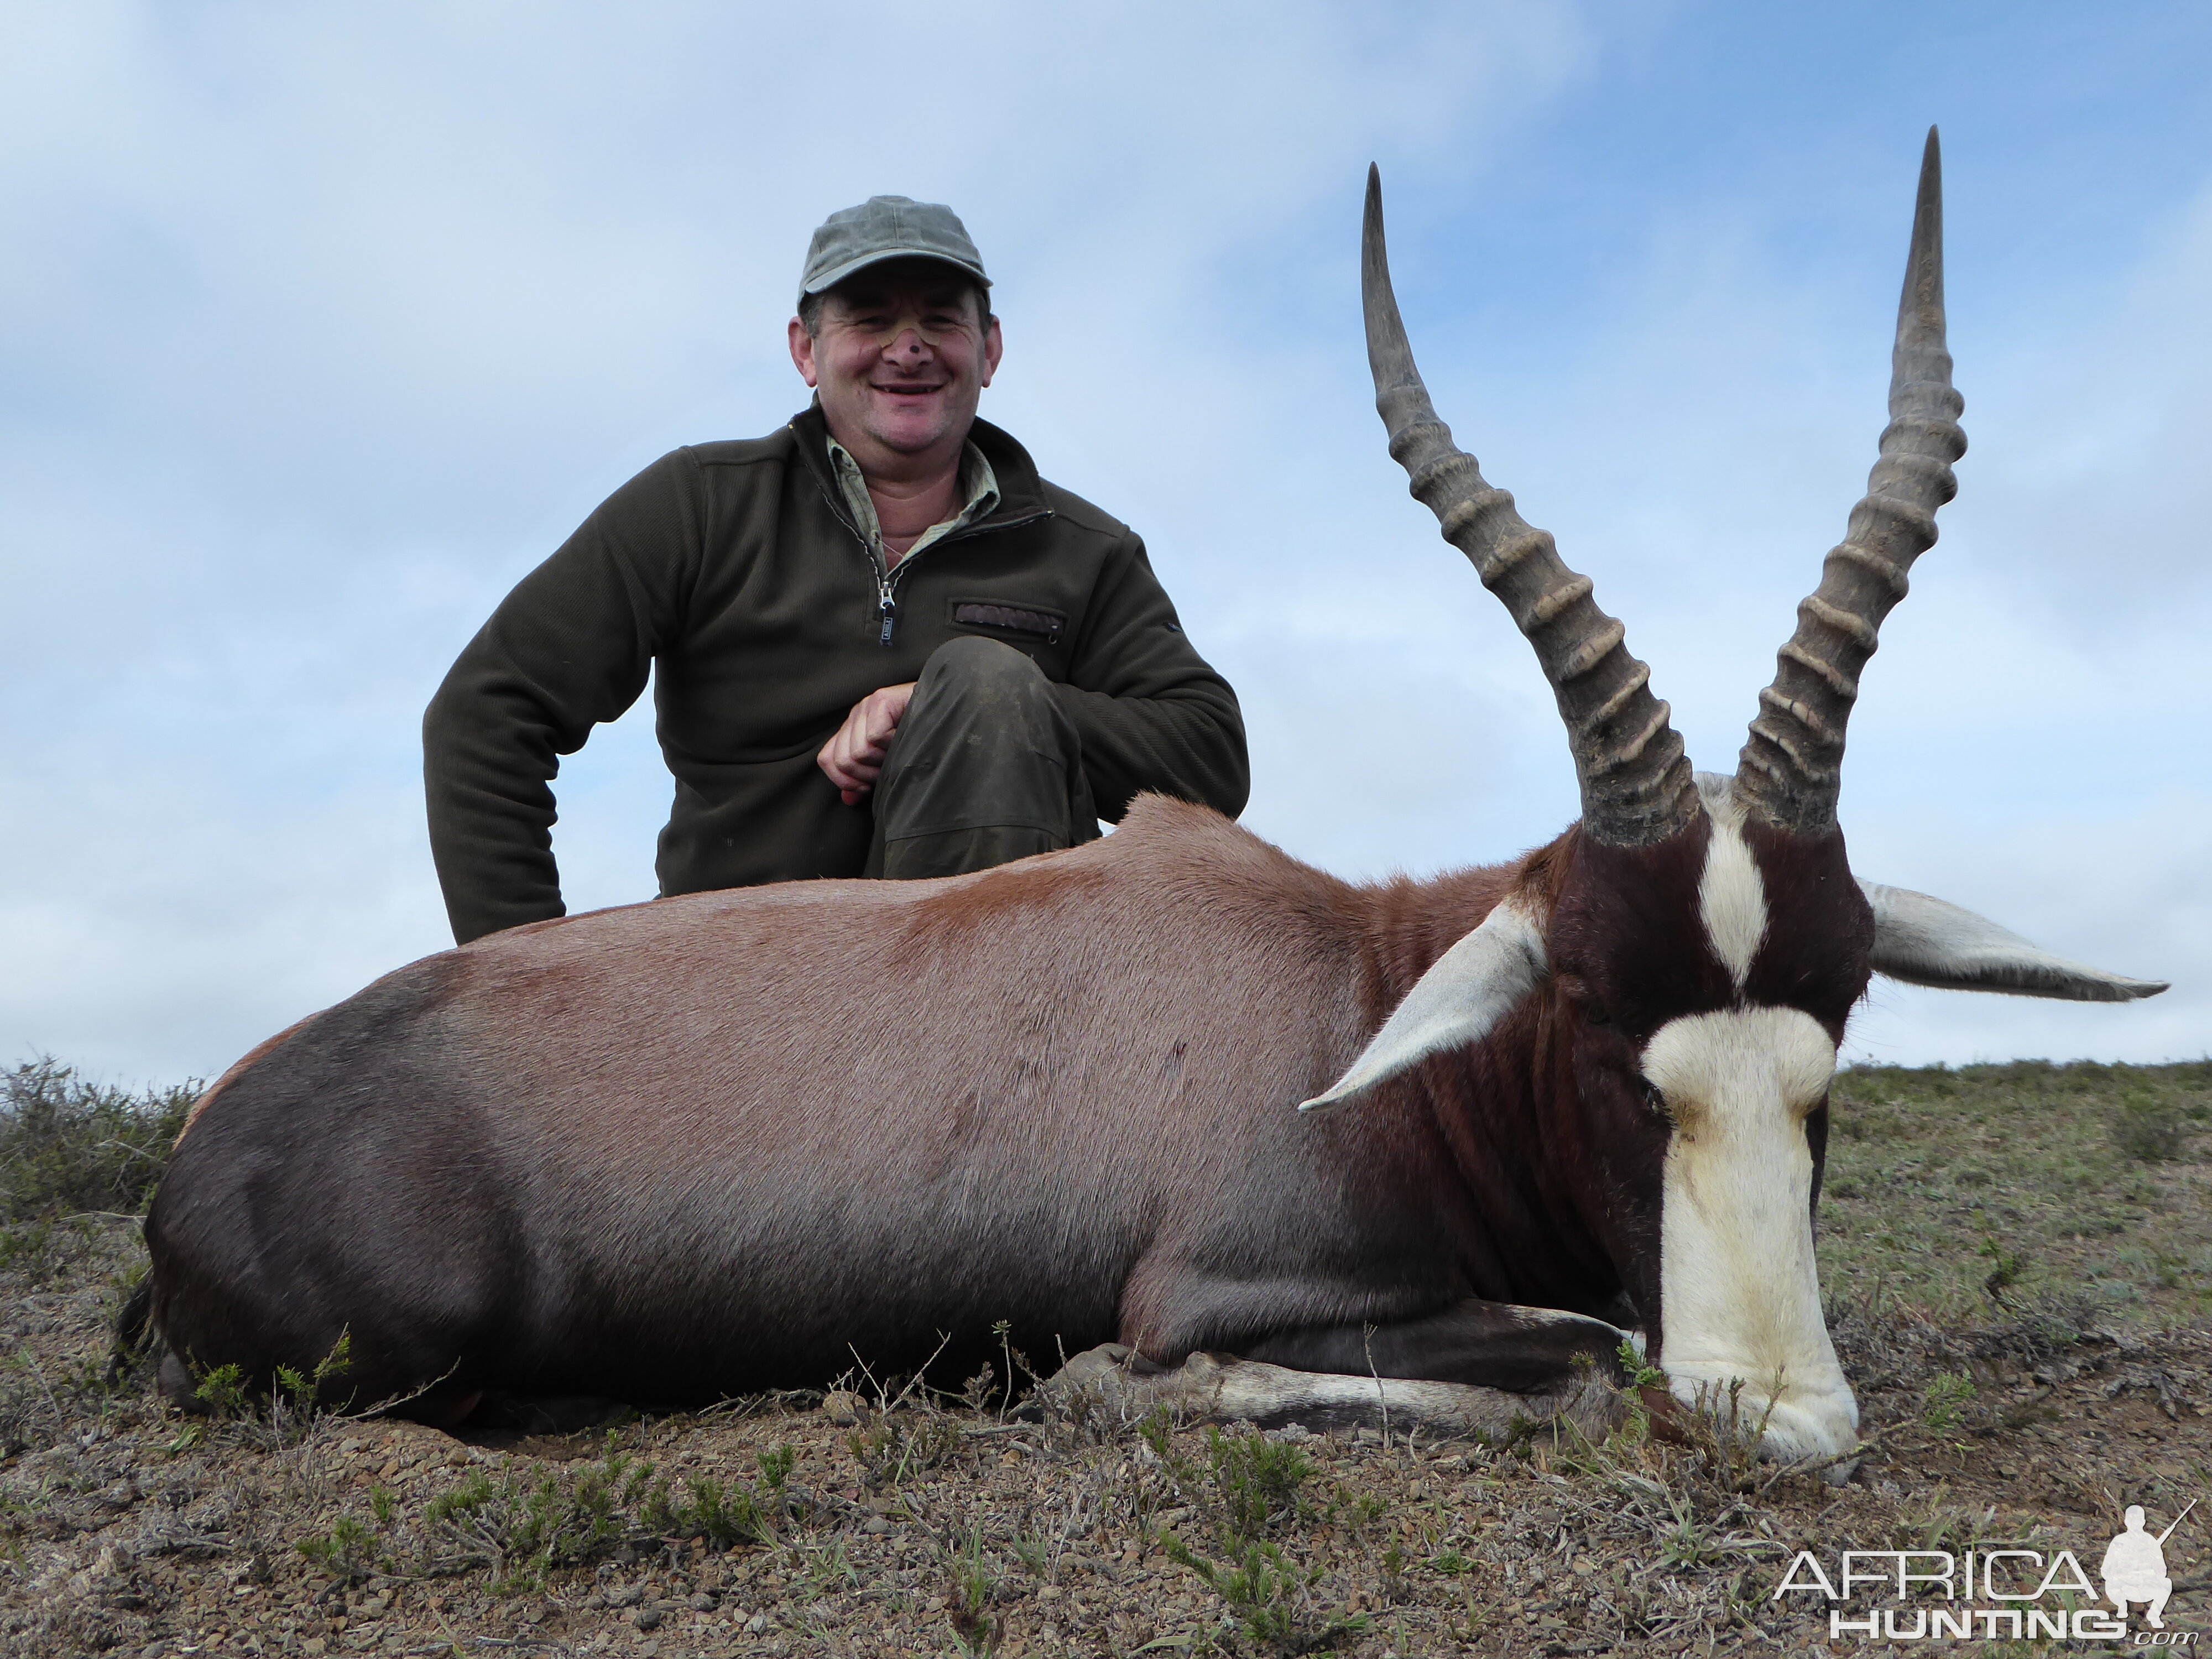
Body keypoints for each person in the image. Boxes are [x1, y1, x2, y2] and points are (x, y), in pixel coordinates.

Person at [424, 196, 1249, 945]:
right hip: (749, 996)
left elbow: (1211, 756)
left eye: (941, 320)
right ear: (805, 350)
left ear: (989, 349)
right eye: (868, 318)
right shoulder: (698, 506)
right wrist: (530, 976)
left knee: (982, 681)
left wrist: (969, 704)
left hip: (1007, 1006)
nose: (909, 348)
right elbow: (487, 714)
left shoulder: (1086, 551)